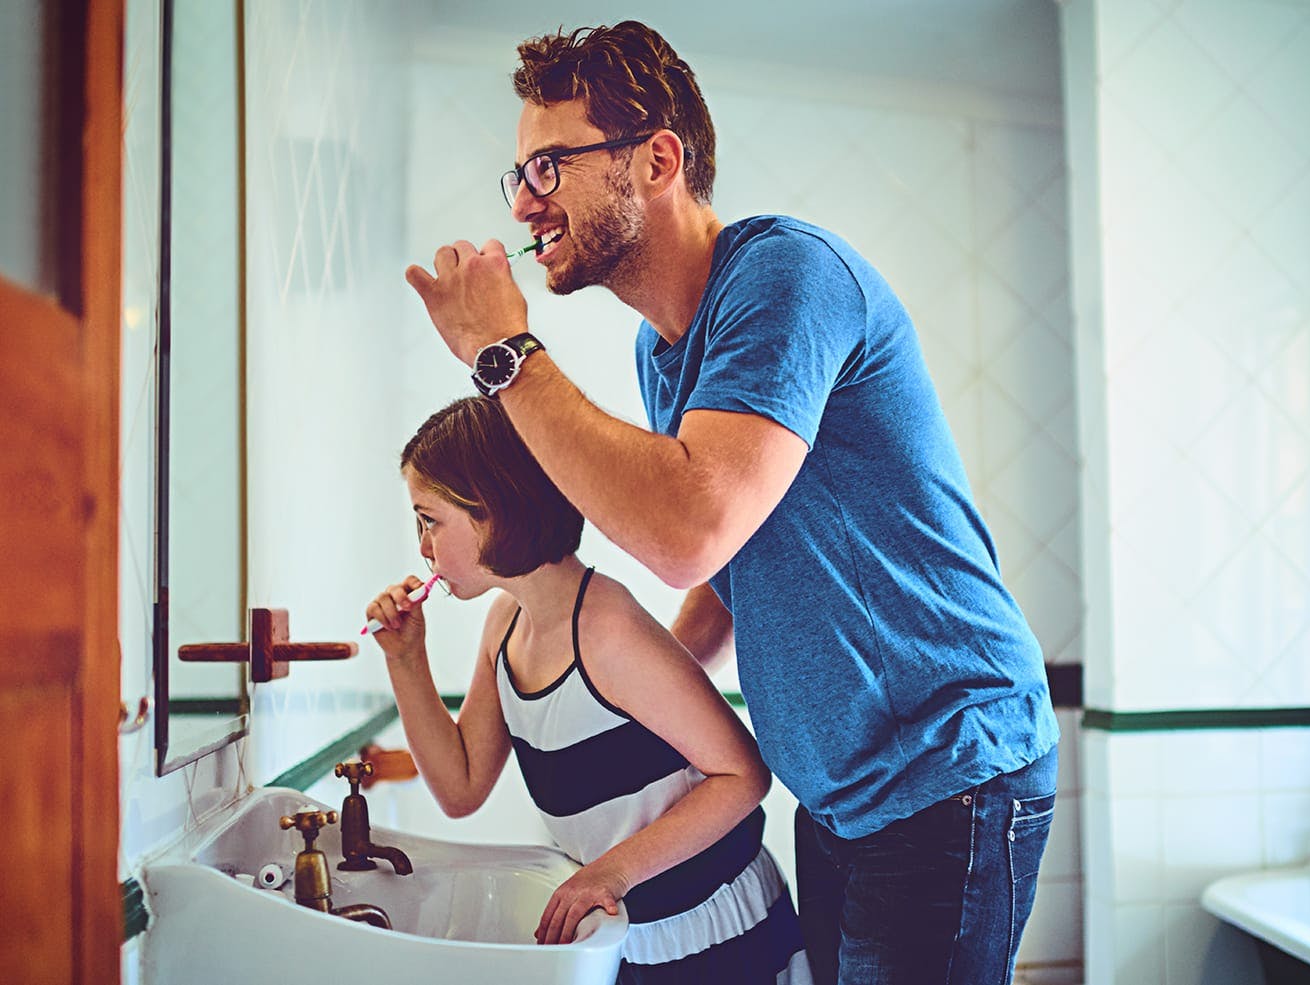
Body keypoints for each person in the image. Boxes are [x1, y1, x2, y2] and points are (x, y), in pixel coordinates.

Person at [403, 20, 1060, 984]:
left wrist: (504, 355)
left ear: (658, 158)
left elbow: (687, 528)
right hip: (839, 795)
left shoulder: (785, 276)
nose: (526, 201)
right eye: (521, 174)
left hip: (949, 773)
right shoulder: (658, 349)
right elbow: (725, 560)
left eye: (549, 165)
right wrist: (651, 696)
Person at [366, 396, 812, 983]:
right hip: (626, 931)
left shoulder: (606, 630)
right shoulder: (505, 623)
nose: (422, 547)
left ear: (493, 509)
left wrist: (610, 872)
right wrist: (405, 660)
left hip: (710, 929)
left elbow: (743, 776)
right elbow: (460, 788)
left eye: (430, 519)